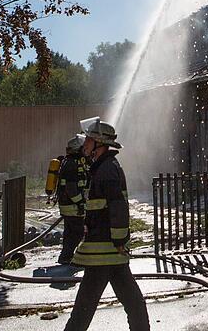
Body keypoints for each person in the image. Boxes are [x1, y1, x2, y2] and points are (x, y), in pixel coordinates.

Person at [64, 118, 149, 331]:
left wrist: (120, 239)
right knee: (133, 303)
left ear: (99, 144)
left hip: (104, 251)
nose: (85, 144)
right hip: (108, 251)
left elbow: (118, 206)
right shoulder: (102, 168)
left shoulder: (107, 170)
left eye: (89, 140)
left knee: (84, 308)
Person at [54, 133, 89, 265]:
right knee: (78, 232)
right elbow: (71, 188)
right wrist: (80, 202)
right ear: (78, 149)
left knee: (70, 232)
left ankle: (66, 257)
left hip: (68, 205)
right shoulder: (71, 164)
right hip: (73, 206)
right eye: (83, 148)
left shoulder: (70, 162)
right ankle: (69, 256)